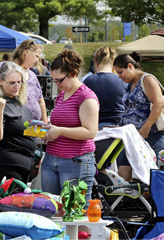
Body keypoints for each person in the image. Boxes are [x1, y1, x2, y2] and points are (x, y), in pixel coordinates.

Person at [40, 49, 99, 207]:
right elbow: (60, 124)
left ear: (72, 73)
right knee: (52, 209)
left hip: (75, 161)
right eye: (54, 81)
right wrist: (47, 131)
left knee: (74, 212)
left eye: (59, 80)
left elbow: (91, 131)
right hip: (52, 158)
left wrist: (59, 131)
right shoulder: (62, 95)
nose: (57, 85)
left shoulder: (86, 97)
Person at [0, 61, 36, 192]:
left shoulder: (17, 100)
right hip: (2, 165)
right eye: (12, 83)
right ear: (0, 80)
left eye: (19, 82)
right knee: (10, 206)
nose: (17, 86)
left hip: (20, 165)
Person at [0, 39, 47, 123]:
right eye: (36, 56)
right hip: (13, 123)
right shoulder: (4, 67)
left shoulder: (32, 75)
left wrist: (44, 121)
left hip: (34, 128)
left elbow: (40, 99)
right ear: (26, 52)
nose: (37, 60)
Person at [114, 52, 164, 162]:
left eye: (120, 72)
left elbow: (159, 103)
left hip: (150, 136)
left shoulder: (147, 79)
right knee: (123, 173)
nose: (119, 76)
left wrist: (146, 127)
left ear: (130, 66)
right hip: (131, 137)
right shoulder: (130, 83)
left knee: (149, 175)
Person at [84, 46, 126, 130]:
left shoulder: (88, 81)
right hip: (119, 127)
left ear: (96, 63)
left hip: (96, 127)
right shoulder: (123, 80)